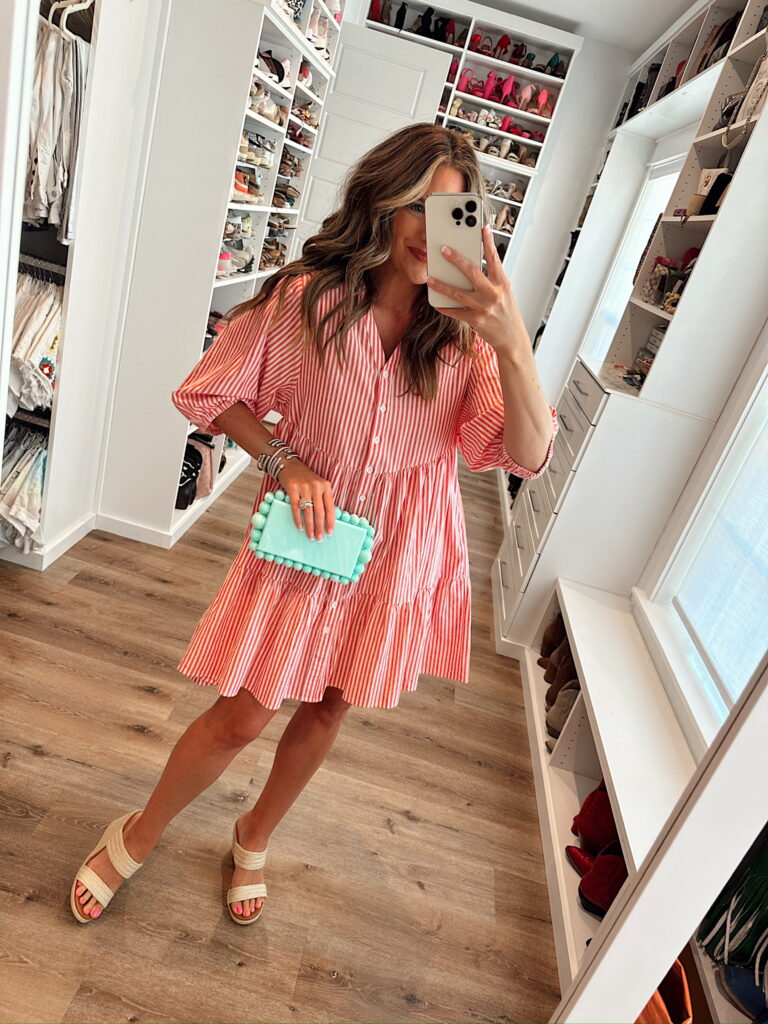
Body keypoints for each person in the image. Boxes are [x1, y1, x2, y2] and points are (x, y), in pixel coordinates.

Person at [70, 123, 557, 926]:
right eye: (416, 206)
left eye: (450, 214)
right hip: (308, 533)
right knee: (244, 712)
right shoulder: (307, 300)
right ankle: (140, 831)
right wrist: (282, 460)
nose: (427, 231)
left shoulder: (465, 339)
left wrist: (512, 344)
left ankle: (254, 834)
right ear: (382, 201)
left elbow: (527, 456)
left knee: (330, 706)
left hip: (400, 548)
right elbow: (211, 391)